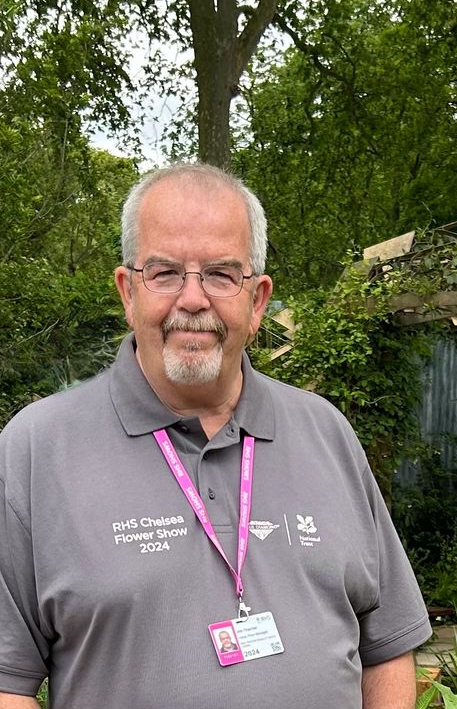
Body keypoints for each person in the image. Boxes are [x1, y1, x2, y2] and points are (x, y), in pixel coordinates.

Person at [0, 163, 431, 709]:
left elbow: (388, 645)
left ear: (257, 301)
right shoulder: (35, 451)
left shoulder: (327, 433)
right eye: (165, 273)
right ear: (128, 291)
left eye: (223, 274)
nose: (194, 299)